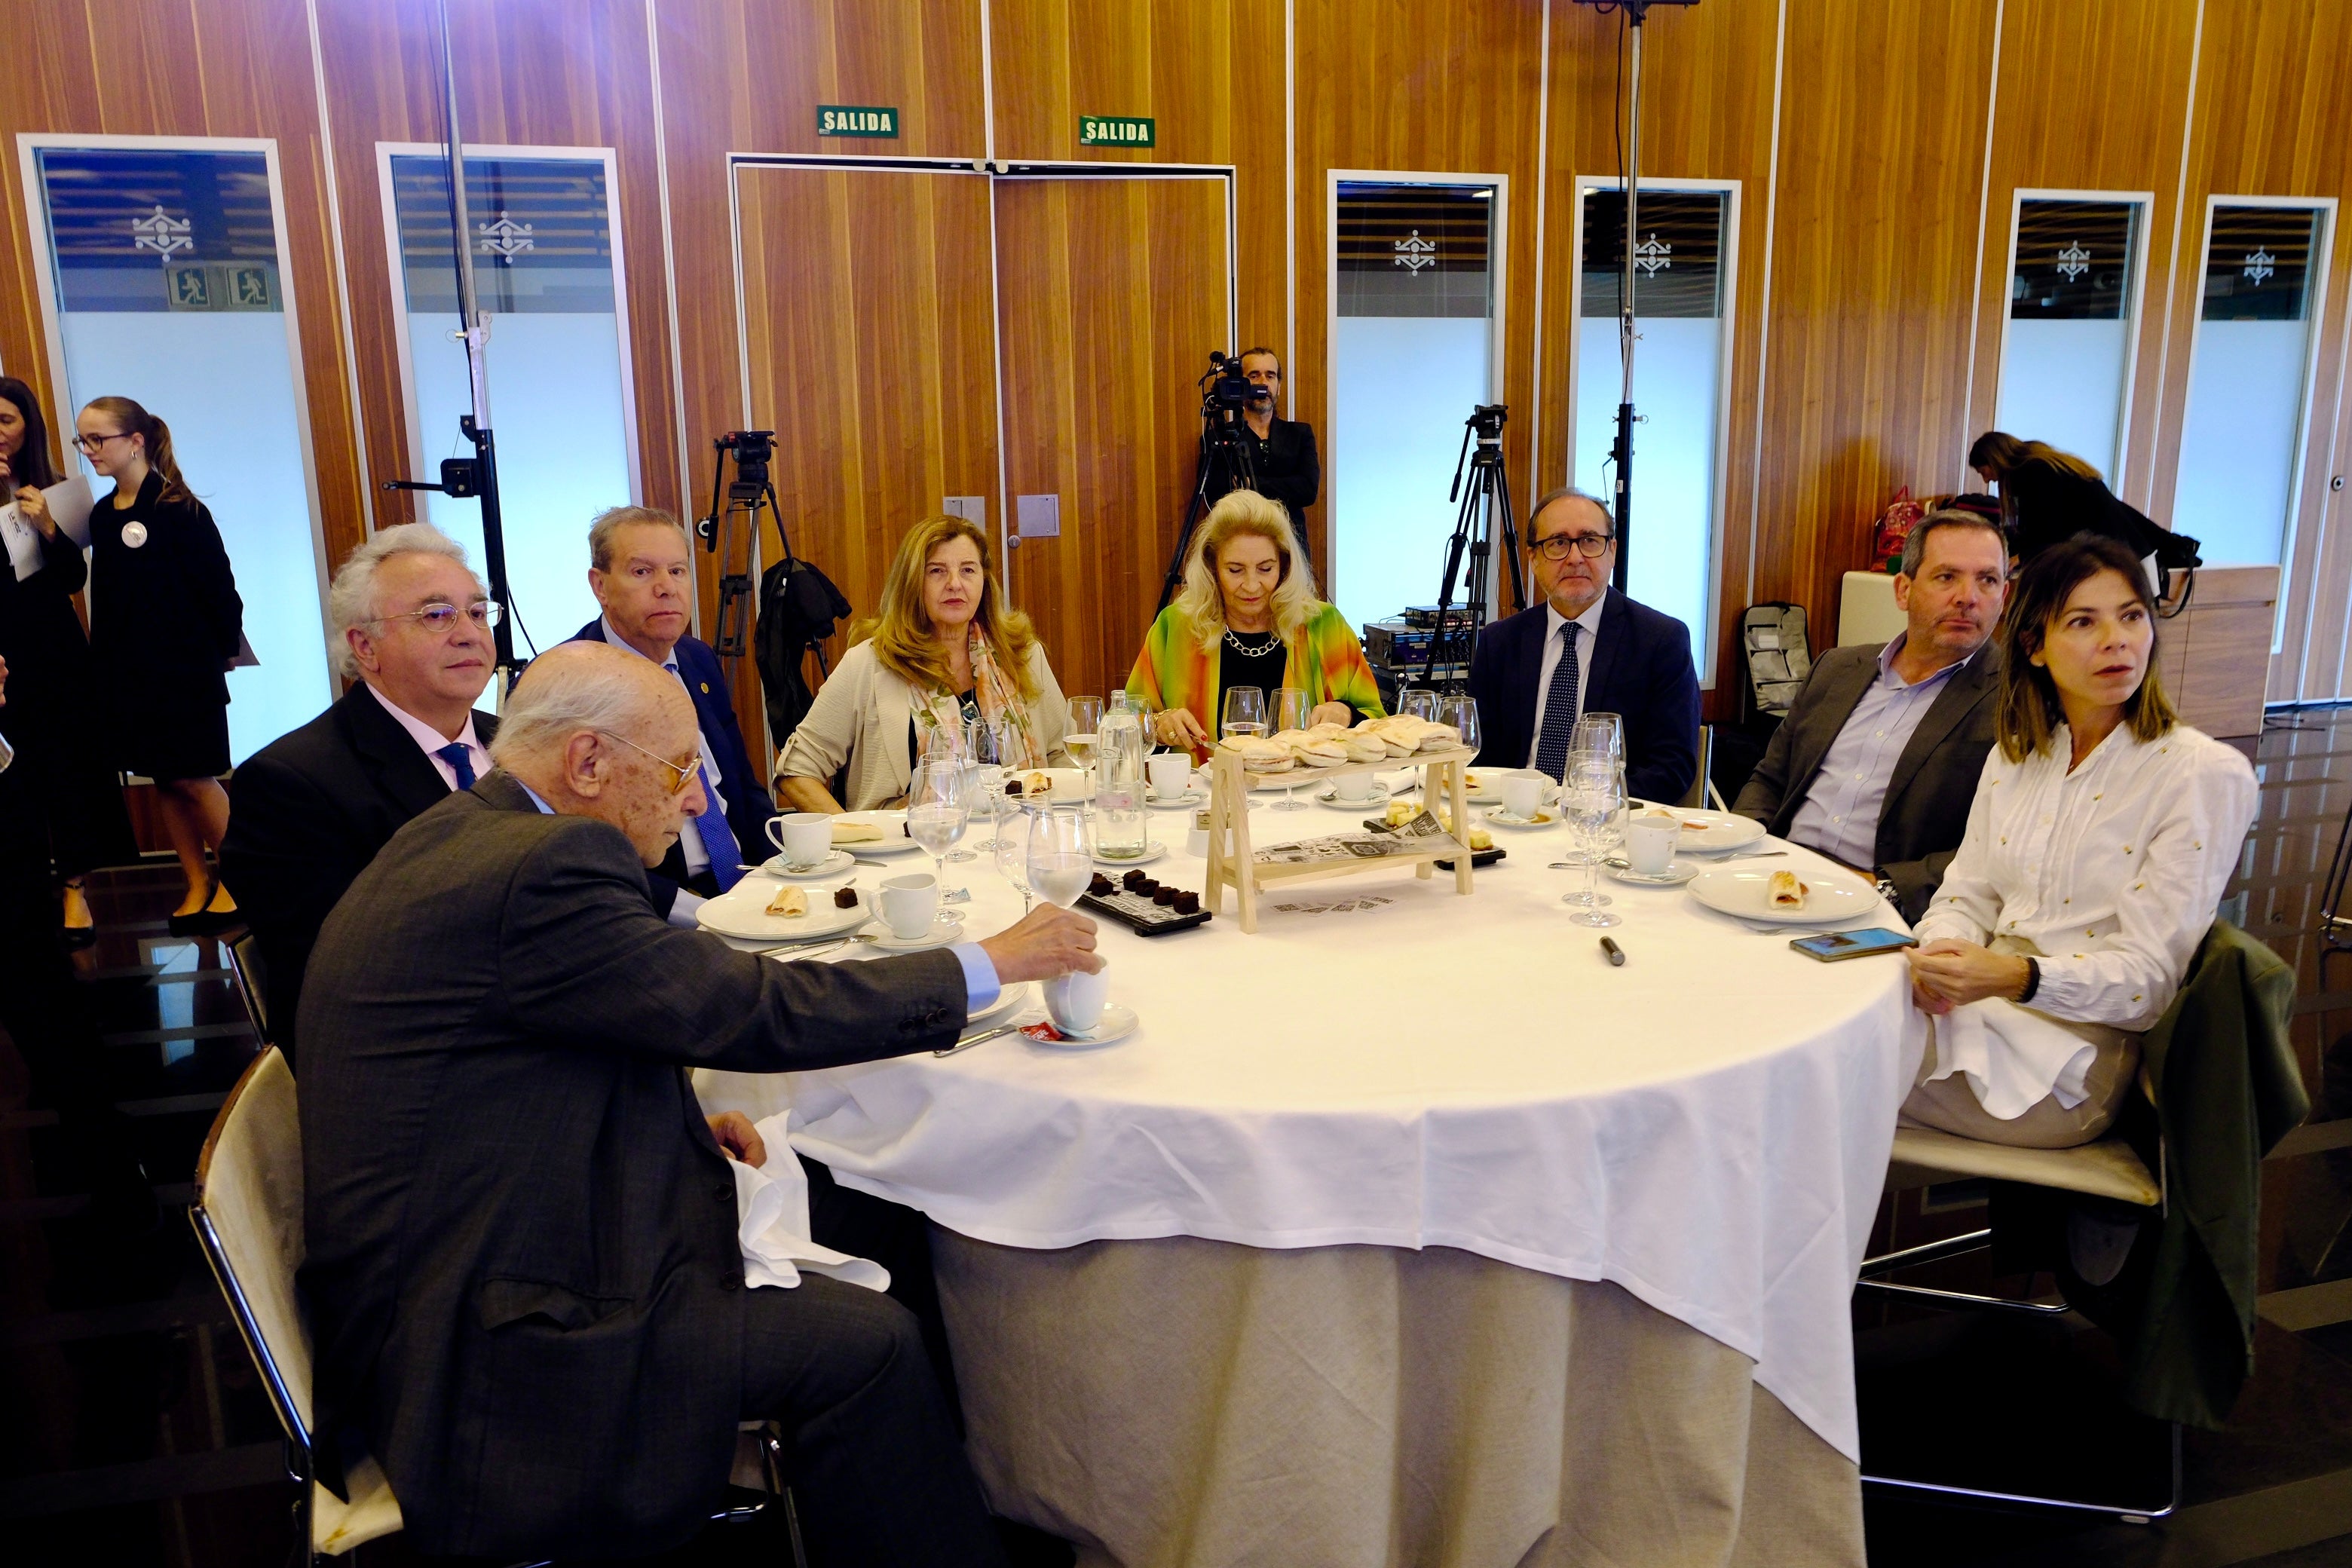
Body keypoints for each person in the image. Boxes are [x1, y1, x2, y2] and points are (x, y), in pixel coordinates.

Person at [297, 641, 1098, 1564]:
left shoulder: (470, 828)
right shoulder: (548, 863)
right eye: (681, 771)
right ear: (589, 761)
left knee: (869, 1207)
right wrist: (987, 964)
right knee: (870, 1342)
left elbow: (528, 1048)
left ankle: (936, 1491)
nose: (698, 801)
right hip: (487, 1346)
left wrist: (677, 1125)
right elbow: (748, 1009)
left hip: (454, 1239)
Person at [1902, 533, 2259, 1149]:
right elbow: (1966, 895)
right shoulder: (2019, 756)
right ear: (2034, 647)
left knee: (1811, 1069)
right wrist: (1943, 960)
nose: (2116, 639)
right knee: (1807, 1024)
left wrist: (2014, 976)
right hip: (1977, 1013)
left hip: (2071, 1065)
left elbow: (2148, 983)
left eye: (2131, 617)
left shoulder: (2199, 773)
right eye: (2083, 622)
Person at [219, 525, 499, 1067]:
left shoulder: (514, 743)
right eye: (437, 614)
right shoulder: (290, 784)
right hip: (410, 1063)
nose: (469, 633)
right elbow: (347, 976)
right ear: (365, 646)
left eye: (477, 612)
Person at [1733, 510, 2009, 922]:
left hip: (1882, 905)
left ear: (2004, 595)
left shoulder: (2018, 700)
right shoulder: (1837, 668)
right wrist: (1744, 849)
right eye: (1947, 577)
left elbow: (2000, 848)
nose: (1967, 597)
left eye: (1987, 580)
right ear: (1903, 590)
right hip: (1776, 878)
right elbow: (1771, 778)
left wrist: (1881, 887)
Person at [75, 396, 243, 936]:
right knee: (164, 781)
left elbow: (221, 594)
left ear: (137, 442)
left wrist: (215, 658)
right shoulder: (102, 515)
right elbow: (106, 599)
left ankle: (240, 877)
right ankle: (196, 881)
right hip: (129, 677)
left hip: (184, 675)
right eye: (85, 441)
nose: (90, 451)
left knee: (195, 778)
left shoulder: (180, 509)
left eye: (98, 439)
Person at [778, 513, 1068, 813]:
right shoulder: (869, 664)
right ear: (913, 582)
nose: (955, 584)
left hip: (1016, 842)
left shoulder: (1022, 654)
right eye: (937, 571)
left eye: (968, 570)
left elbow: (1062, 758)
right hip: (912, 849)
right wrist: (855, 835)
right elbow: (797, 773)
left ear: (984, 581)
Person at [570, 506, 776, 912]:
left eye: (678, 571)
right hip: (661, 906)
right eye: (643, 572)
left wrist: (784, 871)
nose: (667, 588)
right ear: (600, 586)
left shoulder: (696, 658)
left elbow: (741, 784)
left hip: (748, 883)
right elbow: (580, 845)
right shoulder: (571, 683)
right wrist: (700, 914)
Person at [0, 378, 133, 945]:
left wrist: (47, 526)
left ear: (27, 425)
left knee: (66, 767)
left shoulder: (52, 490)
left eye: (5, 420)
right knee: (14, 776)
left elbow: (73, 579)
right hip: (0, 658)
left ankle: (75, 890)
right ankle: (25, 889)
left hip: (52, 651)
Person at [1466, 487, 1700, 804]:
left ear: (1612, 551)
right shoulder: (1500, 642)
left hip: (1603, 821)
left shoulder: (1660, 640)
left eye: (1590, 541)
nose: (1575, 558)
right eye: (1558, 543)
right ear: (1533, 558)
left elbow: (1672, 768)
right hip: (1509, 817)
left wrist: (1580, 804)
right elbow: (1479, 755)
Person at [1129, 487, 1383, 755]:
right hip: (1208, 794)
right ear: (1212, 567)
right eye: (1235, 570)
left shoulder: (1323, 624)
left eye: (1265, 569)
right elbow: (1123, 725)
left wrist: (1346, 712)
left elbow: (1377, 720)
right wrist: (1158, 725)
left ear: (1284, 565)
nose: (1251, 586)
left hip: (1304, 792)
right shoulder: (1177, 626)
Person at [1968, 430, 2182, 574]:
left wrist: (2021, 556)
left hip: (2115, 554)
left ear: (1994, 458)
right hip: (2129, 548)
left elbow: (2046, 526)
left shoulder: (2030, 473)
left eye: (1982, 471)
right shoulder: (2041, 462)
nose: (1986, 479)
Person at [1230, 347, 1320, 559]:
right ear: (1241, 384)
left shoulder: (1300, 434)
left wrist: (1248, 484)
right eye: (1254, 375)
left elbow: (1308, 490)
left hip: (1292, 549)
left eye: (1270, 375)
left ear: (1278, 386)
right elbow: (1218, 493)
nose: (1263, 382)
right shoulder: (1221, 438)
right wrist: (1286, 485)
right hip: (1241, 552)